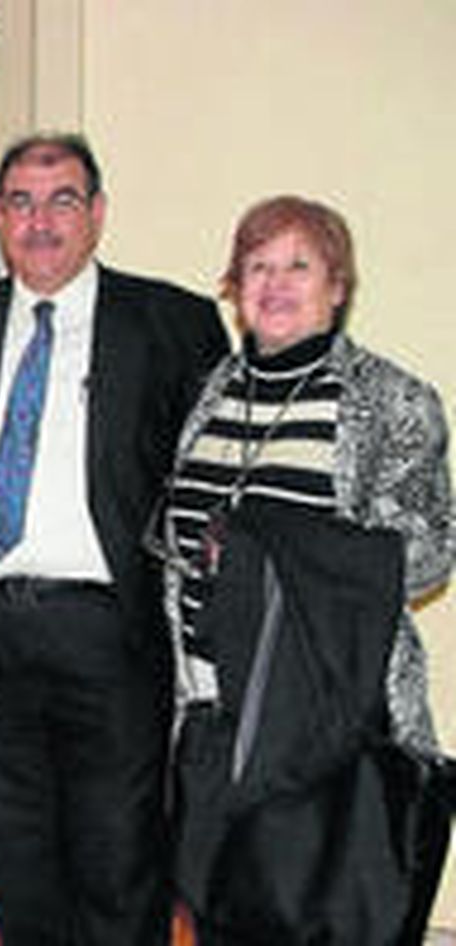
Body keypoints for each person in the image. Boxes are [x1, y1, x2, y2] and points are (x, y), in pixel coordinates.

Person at [0, 132, 228, 944]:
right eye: (20, 200)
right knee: (15, 867)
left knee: (119, 864)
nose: (40, 220)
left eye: (62, 200)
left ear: (97, 215)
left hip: (109, 635)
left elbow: (212, 477)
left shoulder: (172, 322)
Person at [158, 195, 453, 944]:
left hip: (325, 726)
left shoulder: (392, 401)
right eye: (257, 266)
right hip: (211, 716)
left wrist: (272, 544)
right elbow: (174, 541)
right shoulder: (211, 392)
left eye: (299, 265)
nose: (276, 282)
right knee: (219, 924)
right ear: (234, 287)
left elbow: (427, 552)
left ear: (338, 286)